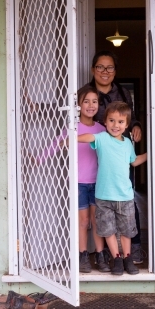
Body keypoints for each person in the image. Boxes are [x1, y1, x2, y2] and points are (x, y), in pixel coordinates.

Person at [36, 85, 109, 273]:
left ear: (99, 105)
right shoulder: (73, 127)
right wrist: (39, 159)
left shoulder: (102, 129)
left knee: (97, 221)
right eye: (86, 101)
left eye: (94, 101)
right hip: (78, 183)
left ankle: (101, 256)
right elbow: (57, 144)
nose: (91, 105)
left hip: (99, 183)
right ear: (78, 105)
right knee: (83, 222)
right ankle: (83, 255)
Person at [83, 50, 145, 265]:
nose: (105, 71)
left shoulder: (122, 92)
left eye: (110, 67)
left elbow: (132, 116)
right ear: (93, 70)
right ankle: (107, 253)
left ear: (115, 71)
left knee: (126, 198)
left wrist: (135, 127)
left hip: (119, 150)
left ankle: (133, 248)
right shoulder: (87, 92)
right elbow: (69, 111)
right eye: (100, 67)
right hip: (96, 149)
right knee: (101, 204)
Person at [78, 101, 147, 275]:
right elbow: (88, 137)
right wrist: (72, 138)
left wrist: (150, 153)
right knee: (108, 229)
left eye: (120, 122)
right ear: (105, 122)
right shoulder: (102, 138)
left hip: (125, 196)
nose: (115, 125)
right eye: (111, 120)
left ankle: (127, 258)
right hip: (103, 196)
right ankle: (116, 258)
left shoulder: (127, 144)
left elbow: (134, 161)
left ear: (126, 125)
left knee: (126, 229)